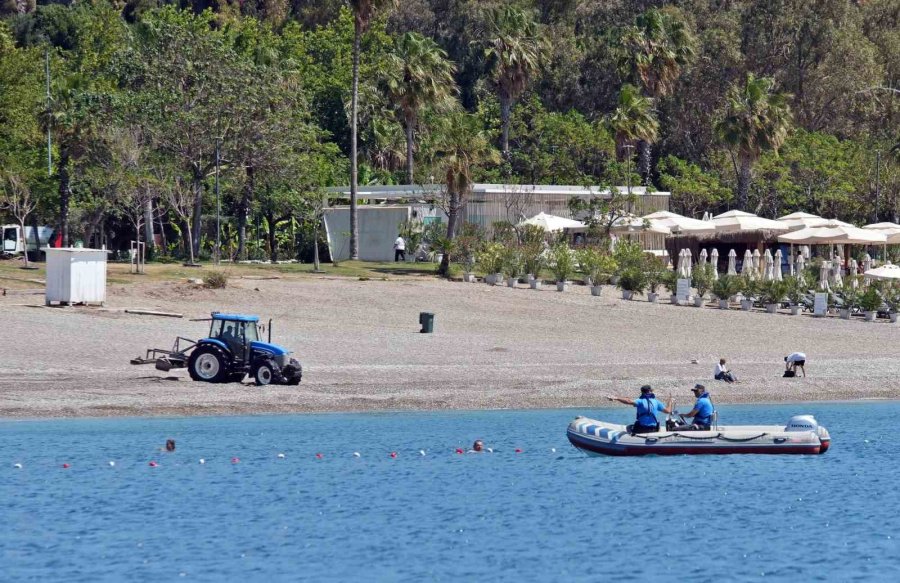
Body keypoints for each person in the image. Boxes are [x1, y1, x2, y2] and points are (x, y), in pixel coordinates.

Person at [607, 385, 673, 434]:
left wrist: (616, 398)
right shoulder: (656, 401)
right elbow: (668, 411)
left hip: (642, 429)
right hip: (653, 429)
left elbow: (628, 401)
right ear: (650, 392)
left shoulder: (640, 401)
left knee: (630, 427)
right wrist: (670, 401)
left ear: (642, 392)